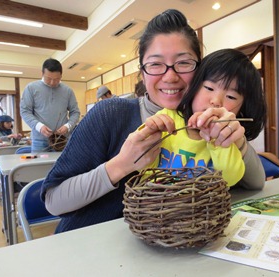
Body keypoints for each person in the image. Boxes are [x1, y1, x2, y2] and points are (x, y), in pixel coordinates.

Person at [41, 9, 265, 234]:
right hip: (92, 247)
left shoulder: (210, 123)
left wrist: (237, 141)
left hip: (175, 246)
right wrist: (122, 164)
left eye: (184, 63)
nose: (170, 76)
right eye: (156, 64)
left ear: (200, 70)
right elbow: (53, 200)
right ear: (142, 73)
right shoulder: (110, 113)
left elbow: (255, 183)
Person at [141, 48, 266, 187]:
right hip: (157, 203)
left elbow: (228, 179)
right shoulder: (167, 117)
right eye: (209, 88)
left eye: (231, 97)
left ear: (241, 109)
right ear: (194, 87)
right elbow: (141, 167)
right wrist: (150, 134)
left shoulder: (225, 138)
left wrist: (218, 142)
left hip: (202, 206)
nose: (216, 101)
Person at [20, 58, 80, 153]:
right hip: (39, 140)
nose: (52, 83)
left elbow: (75, 112)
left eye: (56, 79)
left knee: (64, 167)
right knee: (39, 167)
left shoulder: (67, 91)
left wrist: (68, 126)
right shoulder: (31, 88)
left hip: (62, 139)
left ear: (61, 75)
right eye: (48, 78)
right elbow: (25, 111)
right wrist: (39, 126)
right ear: (42, 73)